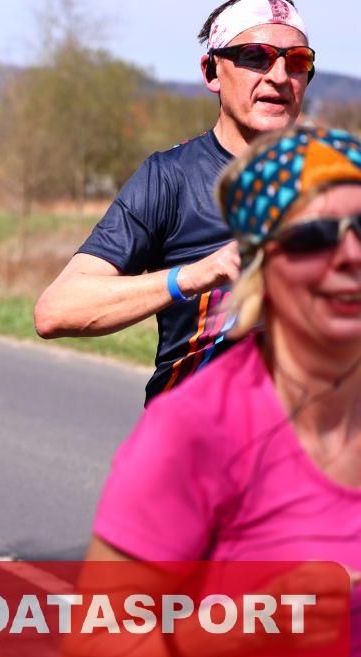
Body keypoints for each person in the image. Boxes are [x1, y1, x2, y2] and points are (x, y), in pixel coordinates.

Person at [76, 124, 361, 657]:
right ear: (260, 264)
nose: (351, 253)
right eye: (316, 237)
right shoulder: (195, 430)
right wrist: (246, 625)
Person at [34, 0, 315, 403]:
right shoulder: (169, 178)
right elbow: (57, 310)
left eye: (297, 61)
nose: (279, 76)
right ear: (212, 71)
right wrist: (198, 275)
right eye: (256, 57)